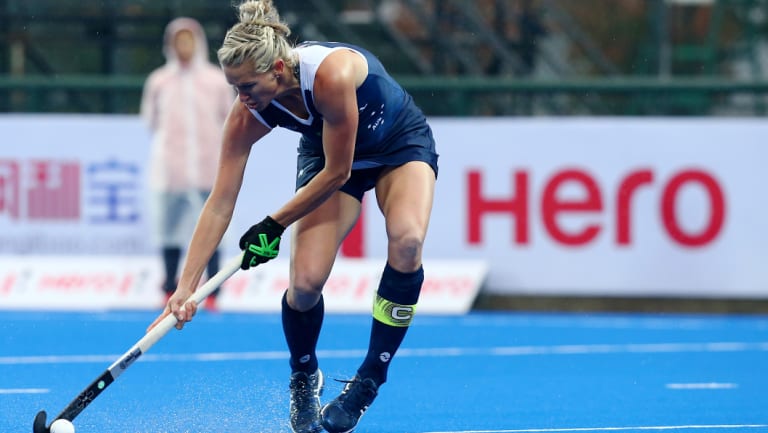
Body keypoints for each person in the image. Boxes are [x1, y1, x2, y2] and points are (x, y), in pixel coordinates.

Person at [148, 1, 439, 432]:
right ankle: (304, 376)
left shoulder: (331, 75)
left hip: (396, 145)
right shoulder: (246, 111)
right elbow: (221, 200)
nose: (241, 98)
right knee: (303, 286)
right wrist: (185, 287)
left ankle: (369, 380)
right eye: (234, 87)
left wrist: (273, 224)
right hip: (327, 156)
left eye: (248, 86)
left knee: (408, 240)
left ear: (279, 69)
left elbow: (339, 172)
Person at [140, 17, 234, 311]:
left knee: (212, 229)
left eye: (188, 40)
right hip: (171, 170)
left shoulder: (216, 80)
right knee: (169, 230)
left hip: (208, 168)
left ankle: (213, 291)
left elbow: (230, 119)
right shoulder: (159, 81)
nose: (183, 46)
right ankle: (169, 286)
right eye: (178, 40)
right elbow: (150, 120)